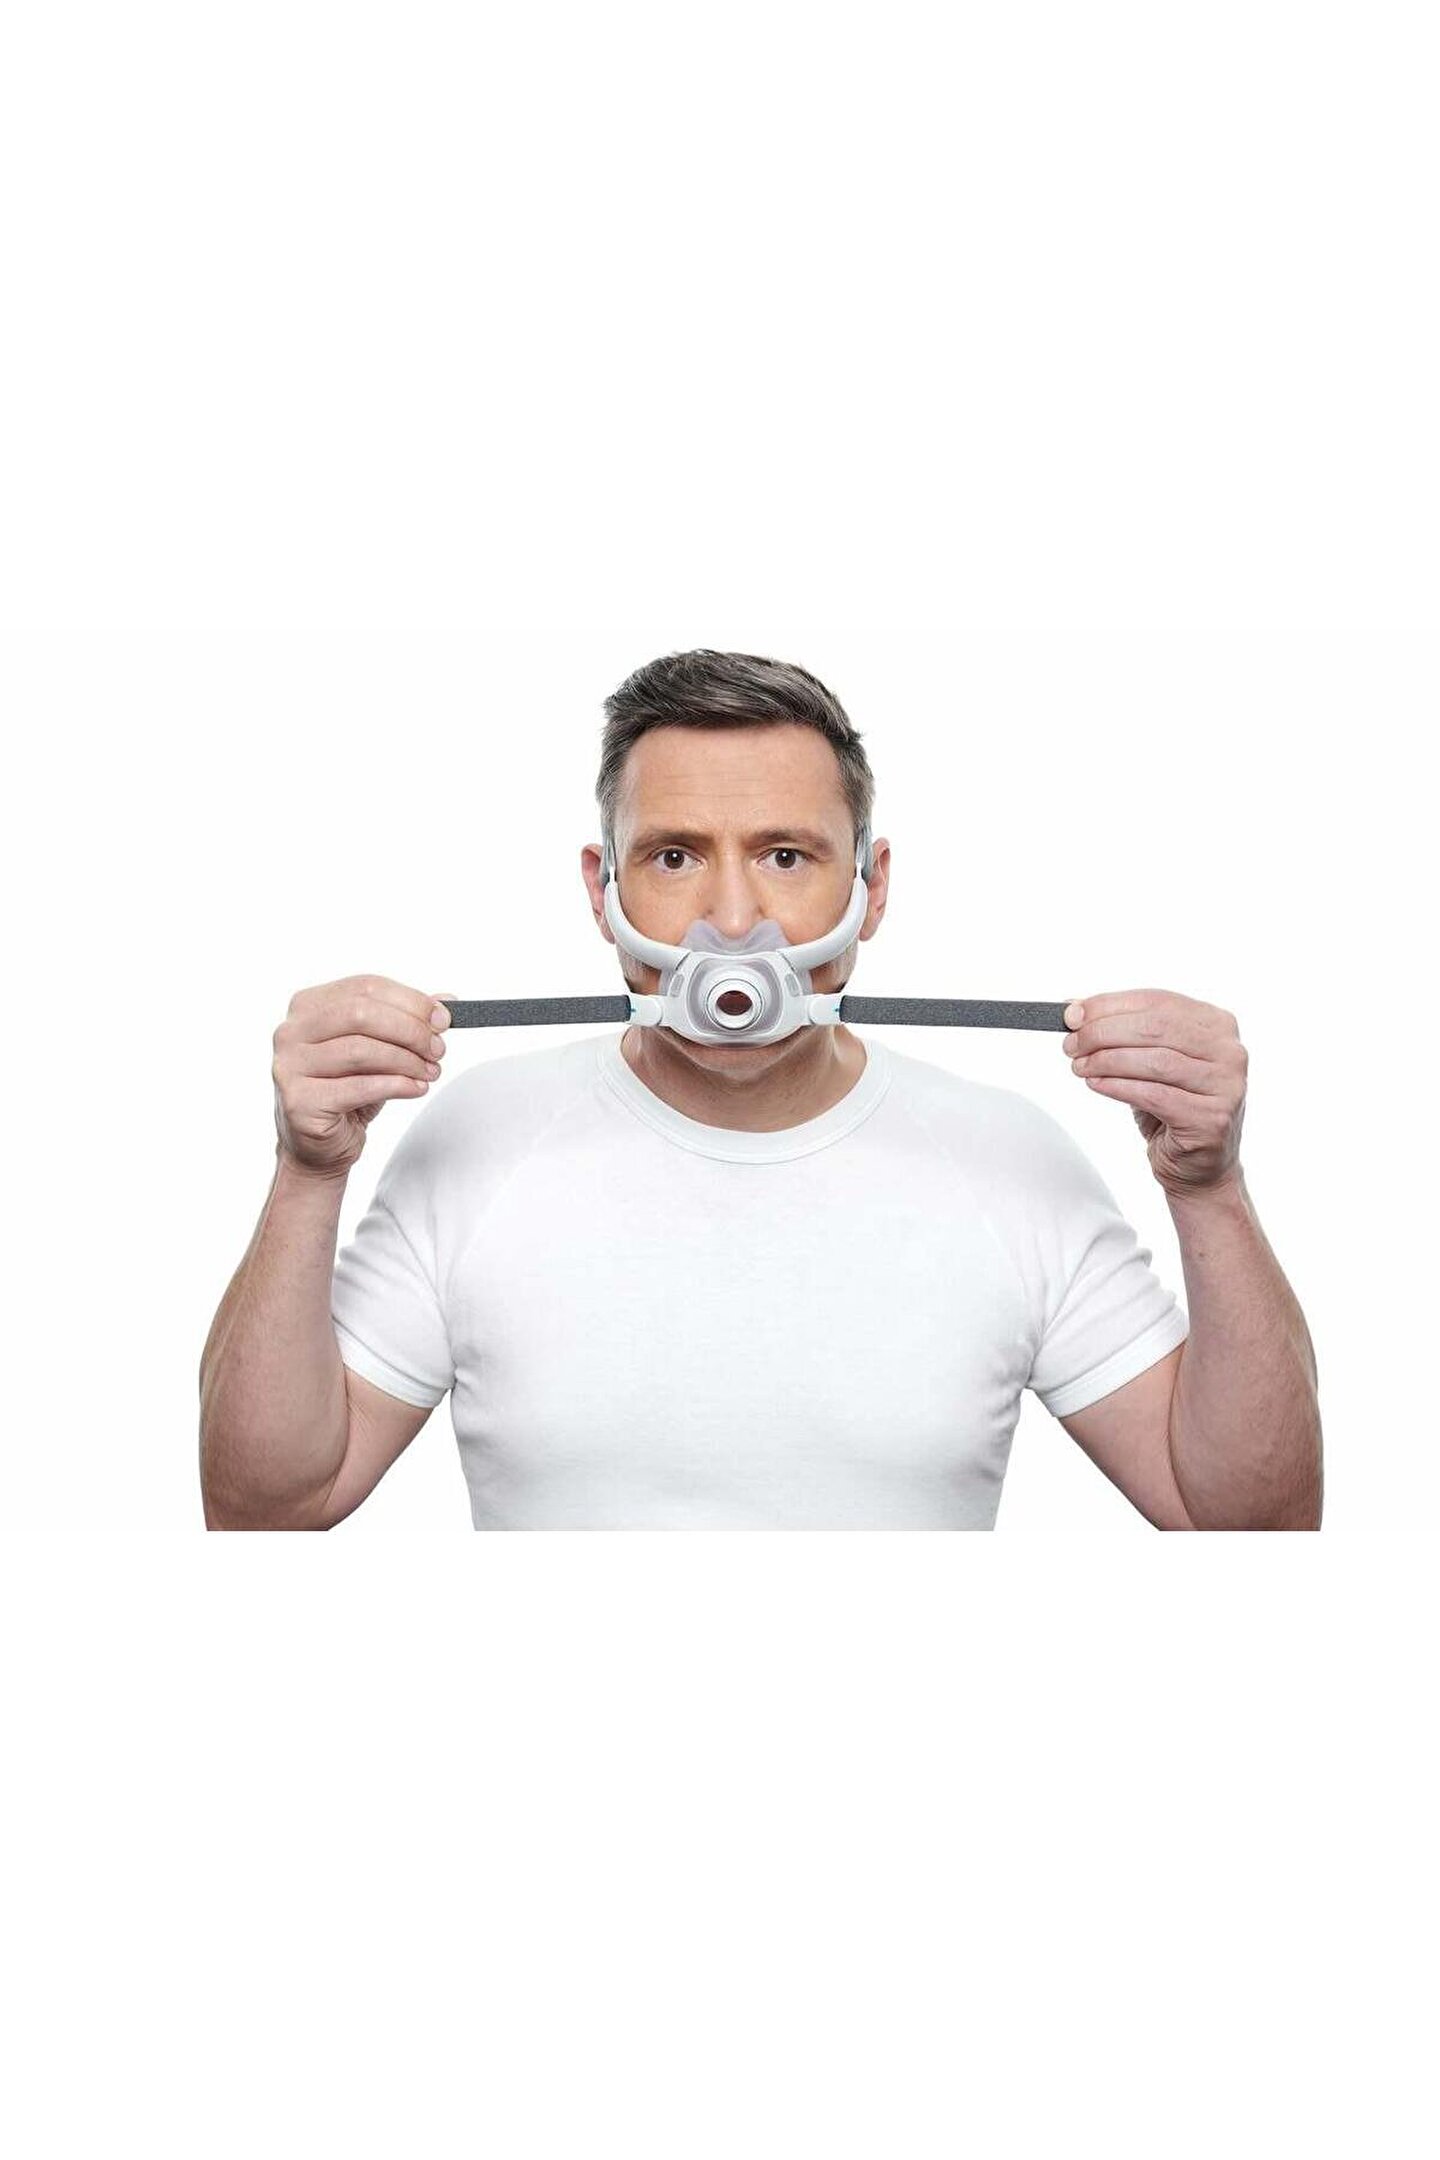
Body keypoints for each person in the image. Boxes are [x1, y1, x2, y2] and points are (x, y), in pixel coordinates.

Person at [198, 649, 1322, 1531]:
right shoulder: (478, 1144)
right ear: (602, 890)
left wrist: (1208, 1189)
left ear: (872, 887)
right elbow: (270, 1510)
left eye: (786, 856)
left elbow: (1241, 1522)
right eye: (675, 857)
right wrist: (308, 1173)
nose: (733, 924)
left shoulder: (1009, 1161)